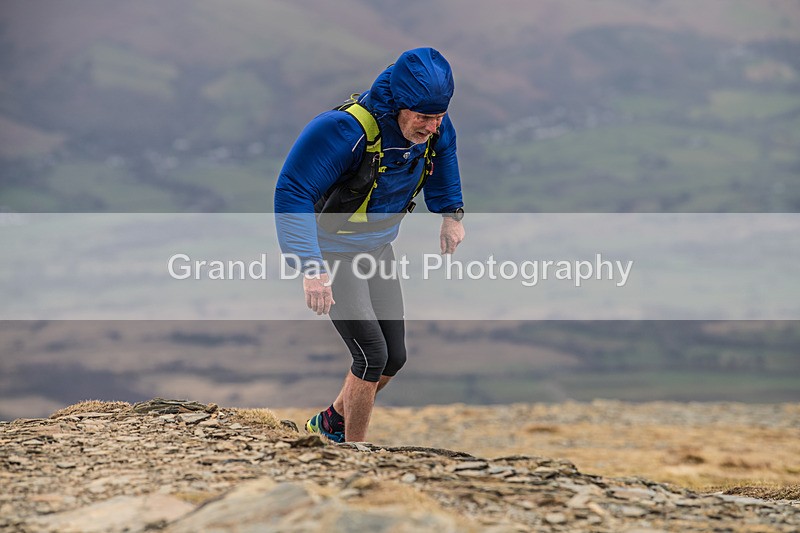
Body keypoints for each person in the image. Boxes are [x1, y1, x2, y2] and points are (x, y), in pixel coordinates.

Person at [274, 47, 465, 442]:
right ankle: (354, 453)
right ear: (399, 104)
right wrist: (310, 267)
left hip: (378, 249)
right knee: (371, 357)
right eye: (424, 117)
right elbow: (293, 191)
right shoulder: (343, 130)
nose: (432, 127)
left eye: (439, 116)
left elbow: (443, 157)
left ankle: (329, 423)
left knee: (394, 357)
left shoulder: (435, 126)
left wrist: (450, 215)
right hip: (334, 250)